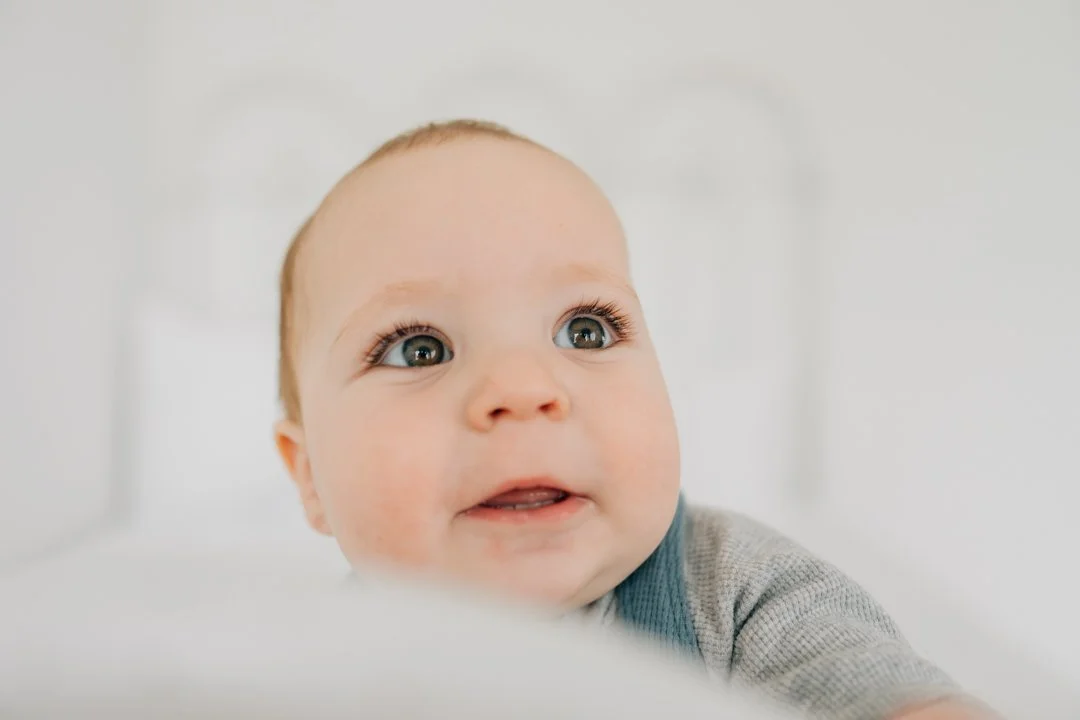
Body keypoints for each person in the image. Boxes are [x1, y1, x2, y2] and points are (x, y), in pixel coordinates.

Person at [273, 119, 997, 720]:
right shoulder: (296, 667)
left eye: (585, 330)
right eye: (418, 348)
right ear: (308, 477)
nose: (524, 389)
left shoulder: (737, 594)